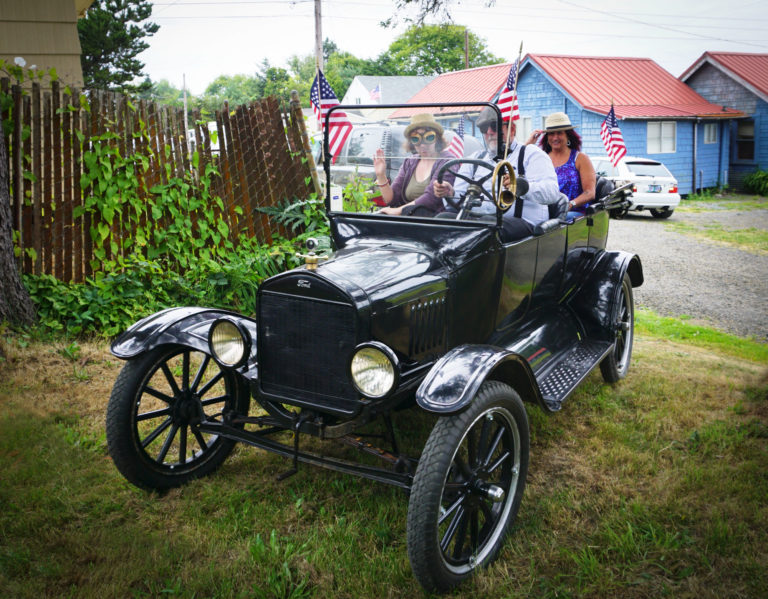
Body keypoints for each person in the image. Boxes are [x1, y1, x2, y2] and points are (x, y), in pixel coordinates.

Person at [433, 106, 560, 241]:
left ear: (511, 129)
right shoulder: (475, 159)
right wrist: (450, 193)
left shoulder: (531, 154)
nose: (489, 132)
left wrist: (522, 187)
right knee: (440, 221)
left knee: (489, 226)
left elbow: (552, 193)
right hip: (481, 220)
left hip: (522, 222)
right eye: (484, 128)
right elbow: (459, 199)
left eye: (494, 126)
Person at [373, 113, 455, 216]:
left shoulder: (447, 161)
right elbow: (391, 199)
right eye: (416, 139)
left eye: (429, 138)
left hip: (432, 220)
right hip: (408, 219)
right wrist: (381, 175)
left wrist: (398, 211)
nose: (423, 144)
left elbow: (430, 198)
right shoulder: (410, 162)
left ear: (437, 139)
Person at [527, 112, 595, 219]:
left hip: (572, 214)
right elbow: (517, 166)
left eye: (559, 133)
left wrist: (570, 204)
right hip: (544, 212)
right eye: (551, 134)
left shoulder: (580, 158)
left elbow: (590, 193)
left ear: (568, 135)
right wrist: (529, 144)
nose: (555, 137)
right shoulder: (541, 158)